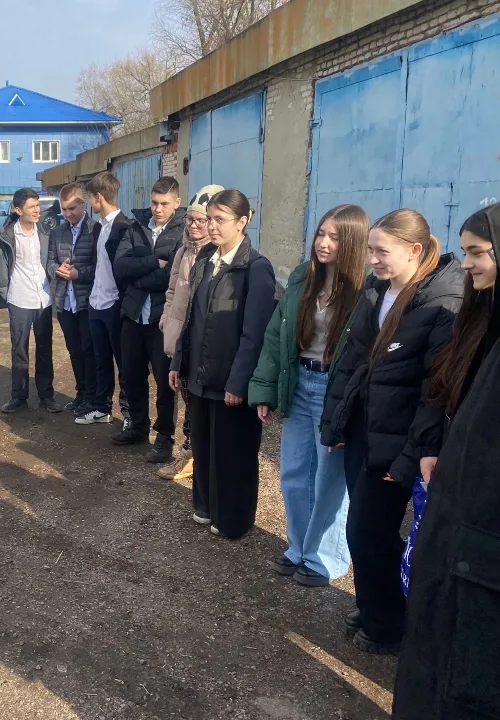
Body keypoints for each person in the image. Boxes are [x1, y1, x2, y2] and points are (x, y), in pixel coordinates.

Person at [320, 209, 463, 654]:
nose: (372, 259)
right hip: (364, 430)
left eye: (381, 251)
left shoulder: (443, 300)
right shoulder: (376, 288)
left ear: (414, 250)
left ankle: (389, 626)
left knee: (369, 532)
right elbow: (351, 361)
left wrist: (411, 454)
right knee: (366, 532)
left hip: (399, 442)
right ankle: (375, 604)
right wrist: (336, 422)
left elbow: (435, 389)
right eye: (370, 250)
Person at [393, 204, 500, 719]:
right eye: (465, 252)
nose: (468, 265)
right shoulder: (478, 314)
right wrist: (433, 444)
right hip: (453, 491)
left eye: (478, 253)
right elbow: (444, 386)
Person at [248, 205, 368, 587]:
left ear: (352, 242)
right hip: (299, 382)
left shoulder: (365, 290)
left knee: (330, 480)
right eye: (321, 234)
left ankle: (325, 559)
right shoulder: (304, 277)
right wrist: (265, 389)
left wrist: (351, 409)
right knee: (294, 473)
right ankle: (298, 547)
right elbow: (275, 337)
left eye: (334, 237)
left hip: (335, 390)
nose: (323, 243)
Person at [168, 189, 277, 539]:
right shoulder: (205, 259)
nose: (211, 226)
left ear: (242, 222)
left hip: (230, 381)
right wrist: (179, 362)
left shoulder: (255, 268)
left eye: (220, 220)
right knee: (204, 446)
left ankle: (233, 520)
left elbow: (254, 334)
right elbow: (191, 319)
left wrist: (238, 382)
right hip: (200, 375)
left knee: (233, 454)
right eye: (209, 218)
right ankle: (205, 505)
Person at [112, 176, 186, 462]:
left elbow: (172, 277)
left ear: (176, 203)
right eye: (154, 202)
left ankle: (164, 437)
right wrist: (154, 262)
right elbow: (120, 267)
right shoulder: (136, 227)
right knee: (131, 374)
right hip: (133, 314)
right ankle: (138, 426)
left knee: (165, 382)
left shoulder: (183, 233)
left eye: (164, 203)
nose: (158, 209)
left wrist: (138, 277)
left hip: (161, 319)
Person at [158, 184, 224, 479]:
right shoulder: (183, 251)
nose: (194, 226)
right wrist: (166, 319)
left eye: (201, 220)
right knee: (186, 397)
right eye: (190, 219)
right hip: (179, 339)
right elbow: (172, 291)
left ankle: (191, 454)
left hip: (200, 344)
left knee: (197, 405)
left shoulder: (214, 256)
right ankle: (192, 452)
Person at [0, 188, 62, 413]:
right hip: (19, 299)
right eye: (31, 207)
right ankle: (18, 396)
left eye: (38, 205)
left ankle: (46, 396)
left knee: (45, 350)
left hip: (43, 300)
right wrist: (4, 293)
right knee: (19, 350)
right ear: (18, 210)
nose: (37, 210)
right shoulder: (8, 236)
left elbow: (51, 260)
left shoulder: (45, 231)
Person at [76, 171, 133, 428]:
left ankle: (130, 414)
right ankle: (102, 408)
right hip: (96, 303)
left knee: (124, 362)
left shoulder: (125, 227)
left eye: (89, 197)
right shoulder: (98, 227)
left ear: (98, 197)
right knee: (100, 360)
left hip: (115, 305)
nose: (90, 203)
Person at [47, 183, 98, 415]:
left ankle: (92, 397)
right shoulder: (57, 232)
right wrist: (57, 269)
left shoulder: (95, 230)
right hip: (65, 303)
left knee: (89, 351)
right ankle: (81, 393)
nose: (68, 214)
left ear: (82, 205)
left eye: (72, 209)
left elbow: (100, 267)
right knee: (74, 351)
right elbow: (49, 262)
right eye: (64, 209)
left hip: (86, 303)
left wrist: (80, 274)